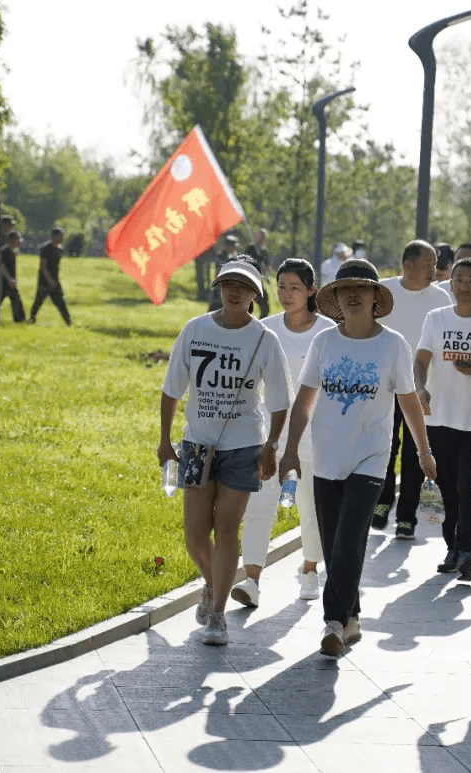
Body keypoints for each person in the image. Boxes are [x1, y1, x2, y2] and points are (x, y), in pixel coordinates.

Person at [279, 258, 436, 657]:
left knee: (351, 538)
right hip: (327, 456)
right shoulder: (325, 342)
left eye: (361, 290)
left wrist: (423, 451)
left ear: (374, 298)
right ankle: (351, 615)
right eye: (344, 290)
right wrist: (289, 450)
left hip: (370, 458)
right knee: (334, 545)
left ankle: (332, 621)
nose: (352, 295)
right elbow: (304, 401)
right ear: (334, 297)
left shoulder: (393, 345)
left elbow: (409, 401)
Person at [159, 259, 292, 645]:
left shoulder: (264, 340)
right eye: (227, 284)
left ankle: (217, 614)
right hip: (198, 445)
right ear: (218, 288)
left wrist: (271, 448)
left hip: (244, 446)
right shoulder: (195, 330)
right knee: (196, 535)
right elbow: (172, 389)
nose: (234, 291)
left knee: (228, 528)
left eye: (243, 285)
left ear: (255, 294)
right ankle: (214, 585)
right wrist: (165, 441)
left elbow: (280, 402)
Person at [232, 259, 335, 607]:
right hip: (269, 438)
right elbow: (249, 384)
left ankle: (309, 570)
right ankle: (252, 580)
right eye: (281, 287)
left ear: (311, 290)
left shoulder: (328, 333)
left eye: (294, 287)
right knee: (259, 507)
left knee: (310, 508)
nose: (286, 294)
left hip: (314, 438)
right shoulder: (265, 330)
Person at [415, 257, 471, 580]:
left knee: (469, 489)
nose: (463, 286)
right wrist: (420, 388)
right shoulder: (435, 319)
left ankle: (467, 551)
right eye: (458, 279)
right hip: (438, 420)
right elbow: (421, 360)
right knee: (447, 488)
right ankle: (452, 548)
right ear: (450, 284)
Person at [374, 240, 449, 539]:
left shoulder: (441, 298)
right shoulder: (384, 292)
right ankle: (382, 502)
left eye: (435, 263)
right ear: (408, 265)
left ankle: (406, 517)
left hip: (421, 388)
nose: (434, 268)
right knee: (386, 445)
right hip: (384, 385)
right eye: (428, 263)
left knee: (416, 452)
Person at [30, 227, 71, 325]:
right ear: (54, 236)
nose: (62, 238)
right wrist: (49, 280)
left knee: (60, 302)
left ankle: (68, 322)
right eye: (60, 236)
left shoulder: (60, 249)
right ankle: (32, 318)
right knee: (39, 300)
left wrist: (54, 280)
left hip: (54, 279)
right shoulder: (46, 248)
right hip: (44, 280)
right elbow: (43, 266)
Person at [0, 231, 26, 322]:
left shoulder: (12, 252)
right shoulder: (5, 251)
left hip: (9, 281)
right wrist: (9, 279)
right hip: (4, 281)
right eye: (18, 239)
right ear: (12, 240)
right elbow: (1, 266)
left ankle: (19, 320)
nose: (20, 241)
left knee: (16, 300)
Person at [208, 235, 241, 311]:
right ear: (228, 246)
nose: (235, 249)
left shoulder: (235, 257)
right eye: (233, 246)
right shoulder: (221, 257)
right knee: (214, 310)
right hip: (220, 288)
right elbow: (219, 272)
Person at [245, 228, 271, 318]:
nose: (262, 238)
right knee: (247, 302)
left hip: (259, 280)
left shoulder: (264, 252)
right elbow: (245, 261)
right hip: (249, 280)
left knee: (264, 301)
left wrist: (266, 271)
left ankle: (263, 320)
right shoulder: (251, 248)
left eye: (264, 236)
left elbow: (267, 266)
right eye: (261, 235)